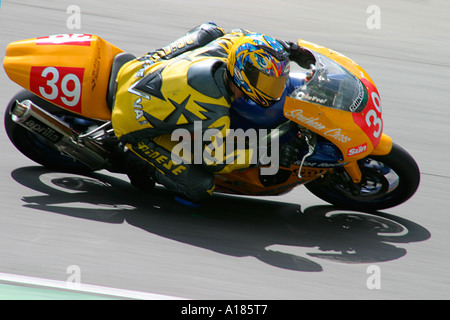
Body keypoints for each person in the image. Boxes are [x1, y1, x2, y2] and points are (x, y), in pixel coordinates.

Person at [110, 22, 315, 206]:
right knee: (200, 188)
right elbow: (216, 160)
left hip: (138, 69)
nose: (273, 89)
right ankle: (136, 160)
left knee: (211, 31)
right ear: (243, 75)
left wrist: (288, 49)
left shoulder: (228, 49)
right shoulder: (213, 110)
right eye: (266, 82)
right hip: (130, 120)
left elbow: (242, 34)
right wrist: (267, 154)